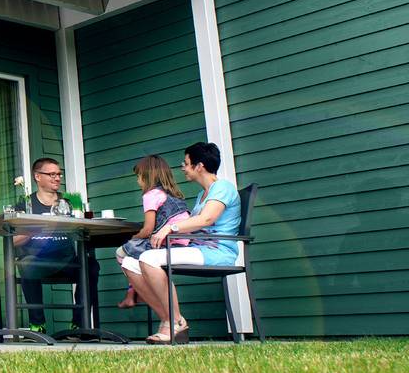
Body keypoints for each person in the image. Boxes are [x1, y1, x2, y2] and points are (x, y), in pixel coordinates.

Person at [127, 142, 242, 344]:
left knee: (148, 258)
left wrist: (170, 228)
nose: (183, 168)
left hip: (217, 251)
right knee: (130, 263)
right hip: (198, 248)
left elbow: (207, 219)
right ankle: (171, 319)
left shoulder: (223, 187)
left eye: (186, 163)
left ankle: (174, 322)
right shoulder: (202, 194)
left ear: (200, 166)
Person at [14, 157, 100, 334]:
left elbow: (84, 229)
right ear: (38, 176)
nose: (57, 178)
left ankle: (80, 325)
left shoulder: (69, 201)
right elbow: (13, 240)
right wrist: (40, 226)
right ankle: (37, 325)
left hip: (67, 259)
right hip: (39, 260)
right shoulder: (26, 203)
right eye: (51, 174)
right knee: (26, 264)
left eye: (59, 174)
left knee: (91, 266)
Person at [116, 155, 190, 309]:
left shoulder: (150, 195)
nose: (138, 181)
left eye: (138, 176)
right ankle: (134, 294)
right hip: (183, 243)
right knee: (133, 257)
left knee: (121, 252)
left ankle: (137, 292)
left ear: (147, 177)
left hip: (166, 244)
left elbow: (148, 229)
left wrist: (132, 237)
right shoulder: (174, 194)